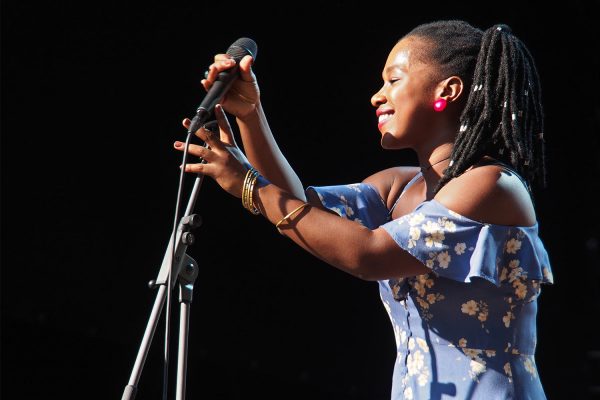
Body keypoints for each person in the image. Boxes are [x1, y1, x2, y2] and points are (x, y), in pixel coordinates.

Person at [173, 20, 553, 399]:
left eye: (394, 80)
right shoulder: (397, 186)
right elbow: (303, 209)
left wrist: (248, 184)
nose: (376, 96)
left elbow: (367, 254)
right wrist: (251, 116)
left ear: (447, 91)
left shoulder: (490, 184)